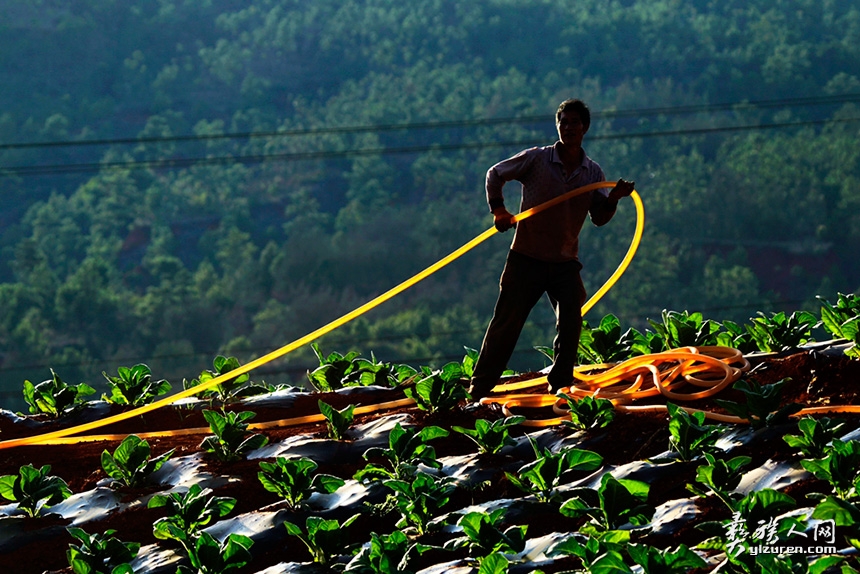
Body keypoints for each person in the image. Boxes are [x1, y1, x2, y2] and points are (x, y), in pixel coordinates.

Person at [468, 98, 635, 400]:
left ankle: (560, 385)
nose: (568, 127)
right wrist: (498, 210)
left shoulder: (592, 173)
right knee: (507, 323)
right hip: (526, 257)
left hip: (564, 262)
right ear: (557, 126)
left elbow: (598, 217)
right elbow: (495, 173)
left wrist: (615, 198)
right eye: (563, 122)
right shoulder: (537, 159)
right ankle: (479, 390)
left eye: (574, 122)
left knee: (571, 318)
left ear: (584, 128)